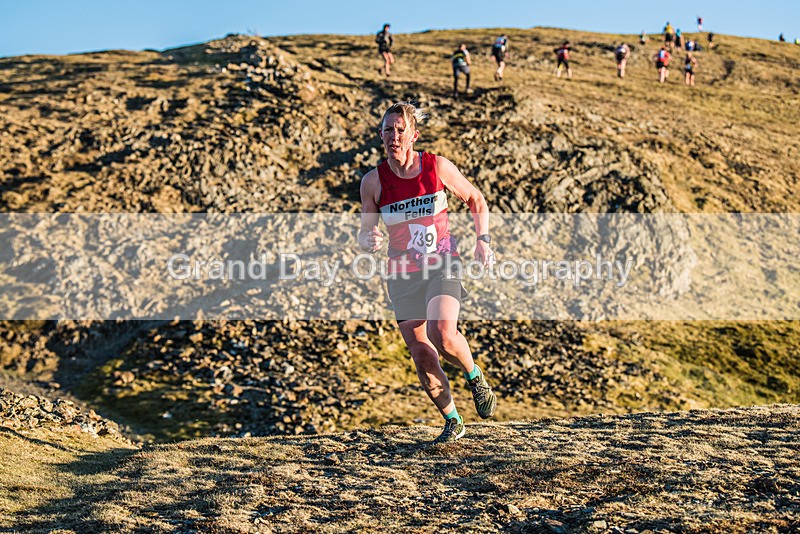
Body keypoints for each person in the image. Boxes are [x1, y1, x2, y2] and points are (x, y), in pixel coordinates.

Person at [358, 102, 498, 444]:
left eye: (400, 129)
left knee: (443, 332)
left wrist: (483, 240)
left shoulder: (437, 167)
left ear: (413, 135)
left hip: (442, 262)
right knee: (422, 354)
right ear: (381, 135)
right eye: (388, 130)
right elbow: (365, 232)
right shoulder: (373, 182)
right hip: (402, 273)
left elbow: (475, 199)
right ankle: (453, 421)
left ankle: (474, 375)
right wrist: (368, 239)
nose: (394, 136)